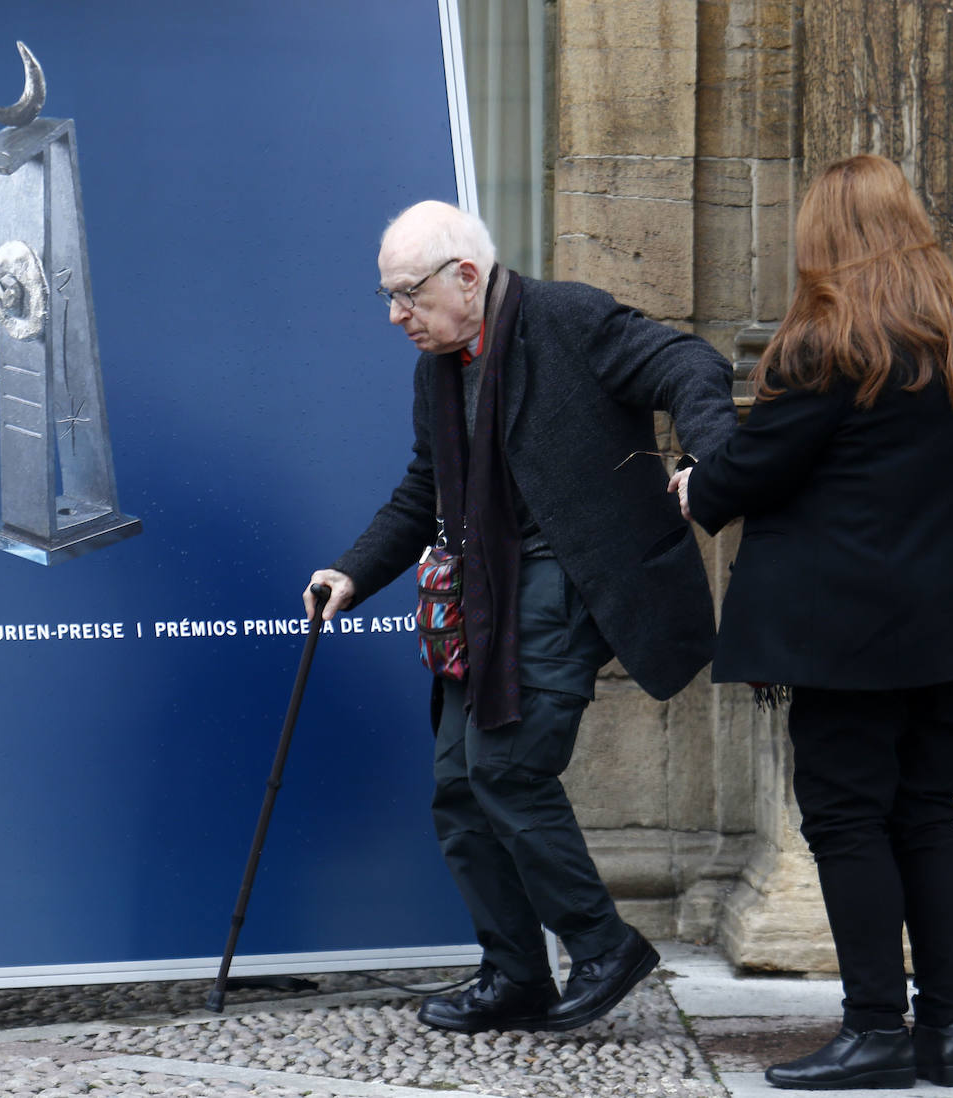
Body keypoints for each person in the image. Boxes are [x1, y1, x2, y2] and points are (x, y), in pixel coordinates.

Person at [304, 200, 737, 1034]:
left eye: (408, 295)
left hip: (568, 576)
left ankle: (605, 946)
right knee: (459, 787)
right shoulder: (439, 363)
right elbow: (424, 489)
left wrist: (707, 455)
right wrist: (353, 573)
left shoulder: (566, 317)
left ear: (467, 277)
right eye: (387, 297)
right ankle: (515, 974)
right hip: (483, 592)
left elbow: (689, 364)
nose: (397, 316)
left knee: (507, 770)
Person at [671, 155, 953, 1090]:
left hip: (848, 636)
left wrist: (698, 483)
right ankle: (943, 1034)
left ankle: (874, 1033)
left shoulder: (826, 341)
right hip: (951, 625)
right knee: (928, 817)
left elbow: (752, 474)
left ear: (827, 236)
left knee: (849, 822)